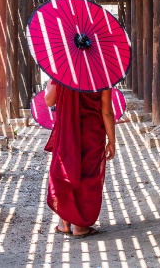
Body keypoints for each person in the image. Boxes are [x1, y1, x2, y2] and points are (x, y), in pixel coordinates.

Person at [44, 78, 115, 238]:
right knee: (88, 175)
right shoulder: (102, 73)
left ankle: (65, 223)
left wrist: (51, 81)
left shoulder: (63, 72)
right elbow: (107, 111)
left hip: (67, 131)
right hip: (91, 133)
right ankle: (81, 226)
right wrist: (112, 140)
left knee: (67, 169)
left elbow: (49, 101)